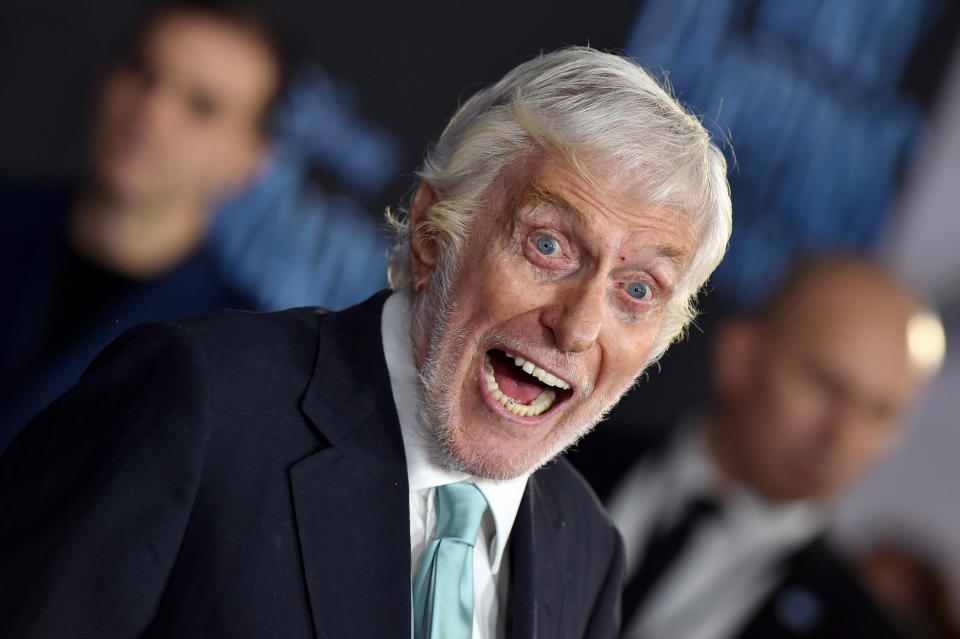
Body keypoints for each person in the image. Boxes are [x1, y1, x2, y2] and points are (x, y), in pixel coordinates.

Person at [0, 47, 732, 637]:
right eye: (547, 245)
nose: (576, 326)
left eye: (637, 291)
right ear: (430, 235)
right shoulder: (202, 401)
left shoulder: (587, 547)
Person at [569, 256, 945, 639]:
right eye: (827, 386)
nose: (839, 435)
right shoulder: (555, 461)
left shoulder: (861, 630)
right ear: (740, 356)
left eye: (879, 414)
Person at [0, 0, 285, 450]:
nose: (150, 112)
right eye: (142, 72)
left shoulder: (231, 349)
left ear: (248, 159)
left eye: (201, 105)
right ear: (105, 78)